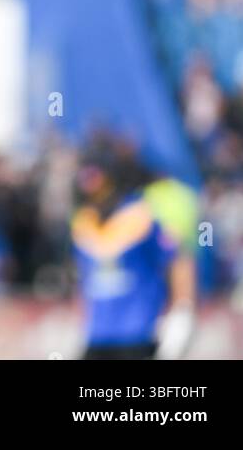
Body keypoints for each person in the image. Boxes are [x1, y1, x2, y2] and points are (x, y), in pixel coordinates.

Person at [70, 147, 192, 359]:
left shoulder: (141, 217)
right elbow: (84, 278)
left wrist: (183, 309)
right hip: (98, 335)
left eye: (93, 177)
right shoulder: (83, 224)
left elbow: (178, 259)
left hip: (138, 334)